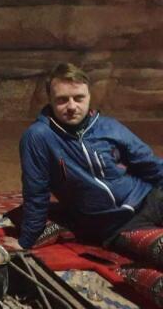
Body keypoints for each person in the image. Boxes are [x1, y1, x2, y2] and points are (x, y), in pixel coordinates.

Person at [17, 62, 163, 263]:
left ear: (89, 97)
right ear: (50, 100)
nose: (72, 106)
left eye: (79, 98)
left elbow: (149, 164)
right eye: (62, 100)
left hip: (150, 197)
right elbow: (36, 192)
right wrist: (26, 241)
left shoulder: (108, 126)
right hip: (117, 225)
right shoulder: (39, 137)